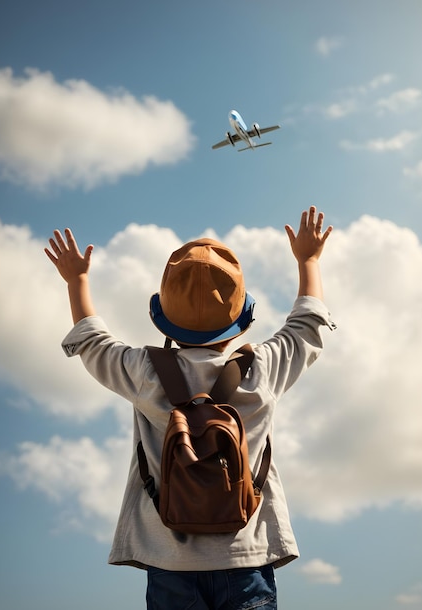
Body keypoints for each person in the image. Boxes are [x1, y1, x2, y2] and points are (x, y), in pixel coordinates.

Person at [45, 206, 334, 610]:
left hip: (169, 558)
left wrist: (76, 280)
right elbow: (308, 325)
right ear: (245, 318)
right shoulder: (263, 370)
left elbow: (92, 342)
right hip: (245, 556)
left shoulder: (144, 371)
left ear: (162, 320)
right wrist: (309, 260)